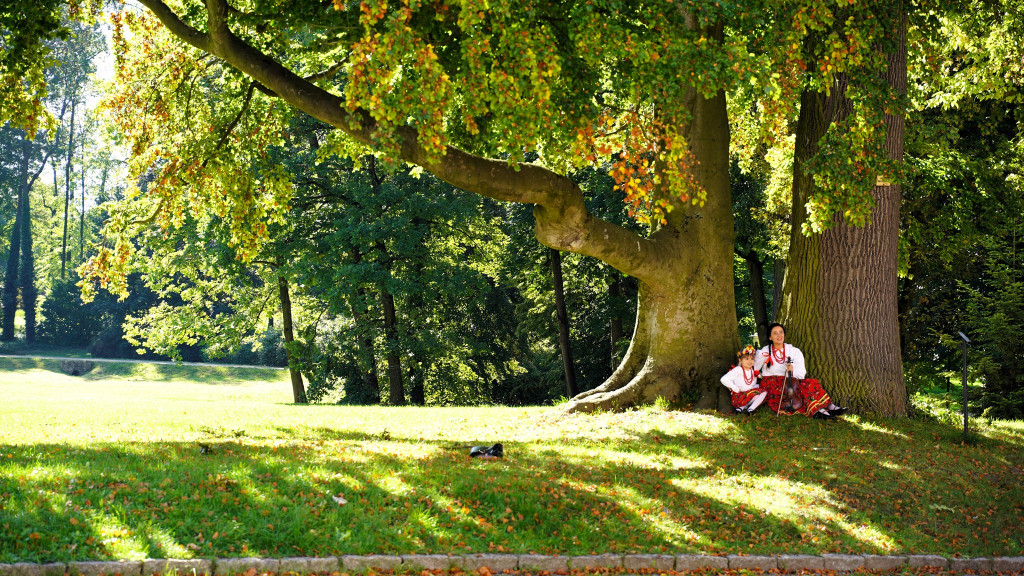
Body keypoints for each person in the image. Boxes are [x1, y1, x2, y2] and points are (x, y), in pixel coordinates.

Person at [753, 323, 848, 419]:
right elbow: (755, 368)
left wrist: (792, 370)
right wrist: (760, 357)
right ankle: (819, 410)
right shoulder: (764, 351)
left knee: (810, 383)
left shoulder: (794, 351)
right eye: (775, 333)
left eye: (781, 332)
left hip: (790, 380)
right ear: (770, 337)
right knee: (800, 391)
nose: (779, 335)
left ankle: (829, 407)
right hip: (772, 384)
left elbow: (802, 373)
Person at [721, 345, 768, 415]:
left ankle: (745, 408)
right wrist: (735, 388)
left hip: (748, 394)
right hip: (739, 396)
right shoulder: (738, 370)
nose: (750, 361)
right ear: (740, 360)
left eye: (752, 359)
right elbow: (723, 379)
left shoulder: (752, 370)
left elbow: (750, 384)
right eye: (746, 359)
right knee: (762, 392)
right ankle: (747, 408)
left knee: (763, 392)